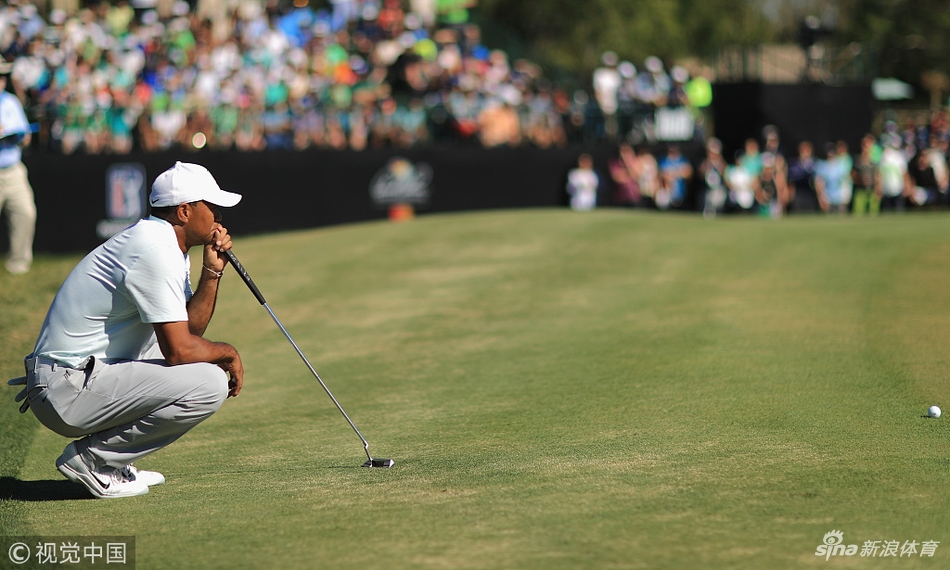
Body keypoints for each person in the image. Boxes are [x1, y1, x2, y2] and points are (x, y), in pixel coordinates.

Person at [16, 162, 244, 499]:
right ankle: (93, 460)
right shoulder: (156, 249)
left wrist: (212, 273)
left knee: (182, 350)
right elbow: (179, 351)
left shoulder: (162, 242)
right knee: (209, 382)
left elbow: (189, 330)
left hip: (75, 378)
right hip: (65, 388)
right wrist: (228, 352)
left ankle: (113, 463)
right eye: (213, 208)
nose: (219, 218)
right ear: (184, 212)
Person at [0, 60, 36, 275]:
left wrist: (20, 137)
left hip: (13, 170)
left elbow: (26, 136)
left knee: (25, 213)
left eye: (2, 77)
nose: (0, 81)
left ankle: (19, 264)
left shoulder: (11, 102)